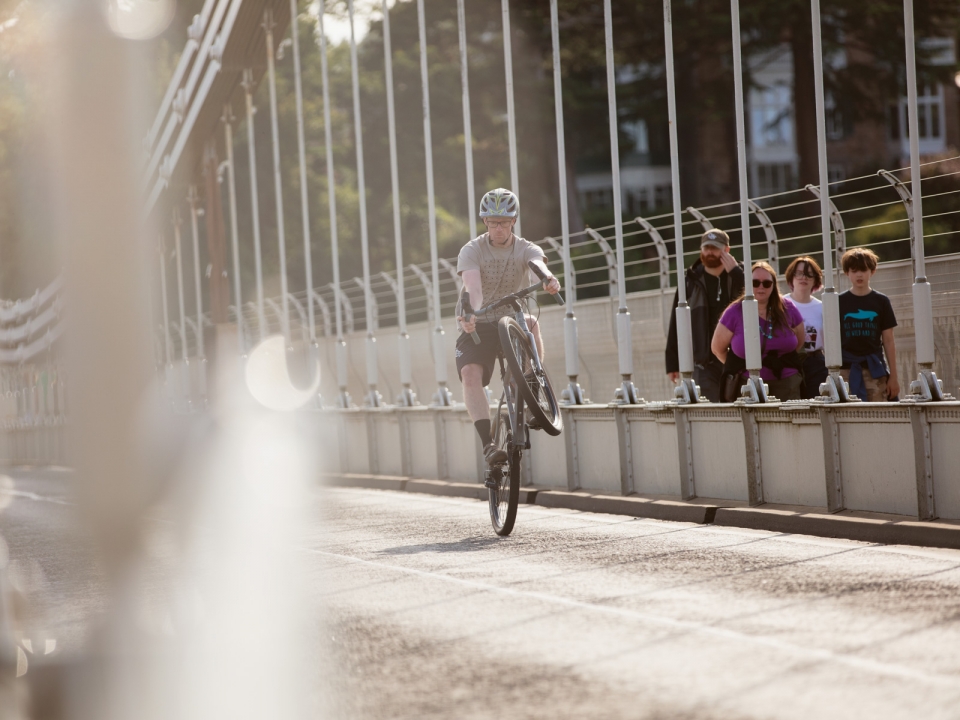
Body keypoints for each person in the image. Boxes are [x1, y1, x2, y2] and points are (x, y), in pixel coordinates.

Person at [456, 188, 561, 465]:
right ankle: (489, 445)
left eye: (503, 221)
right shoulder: (472, 250)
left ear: (514, 220)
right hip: (479, 322)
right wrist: (472, 313)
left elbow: (538, 264)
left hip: (512, 318)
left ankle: (531, 388)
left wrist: (549, 278)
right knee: (469, 374)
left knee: (531, 323)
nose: (498, 228)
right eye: (492, 222)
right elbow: (473, 287)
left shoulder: (526, 247)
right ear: (484, 222)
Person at [665, 228, 745, 402]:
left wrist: (737, 273)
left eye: (715, 248)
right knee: (712, 410)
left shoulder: (740, 276)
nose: (710, 252)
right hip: (703, 361)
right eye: (706, 248)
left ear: (727, 250)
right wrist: (672, 363)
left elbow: (755, 302)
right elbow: (676, 322)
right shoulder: (690, 281)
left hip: (736, 360)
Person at [711, 261, 806, 401]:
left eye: (766, 283)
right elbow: (718, 348)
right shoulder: (734, 311)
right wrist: (739, 365)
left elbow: (799, 340)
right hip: (747, 383)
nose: (761, 287)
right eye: (755, 283)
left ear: (773, 285)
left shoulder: (788, 308)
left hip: (787, 382)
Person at [838, 248, 899, 402]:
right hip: (846, 369)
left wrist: (893, 376)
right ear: (847, 273)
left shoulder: (881, 301)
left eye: (864, 270)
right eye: (854, 270)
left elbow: (888, 340)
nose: (859, 274)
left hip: (874, 369)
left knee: (878, 414)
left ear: (872, 271)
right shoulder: (838, 302)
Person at [785, 256, 828, 399]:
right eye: (799, 273)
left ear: (816, 279)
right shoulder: (782, 304)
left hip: (816, 362)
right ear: (791, 277)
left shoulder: (822, 307)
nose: (804, 278)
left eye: (809, 274)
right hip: (789, 361)